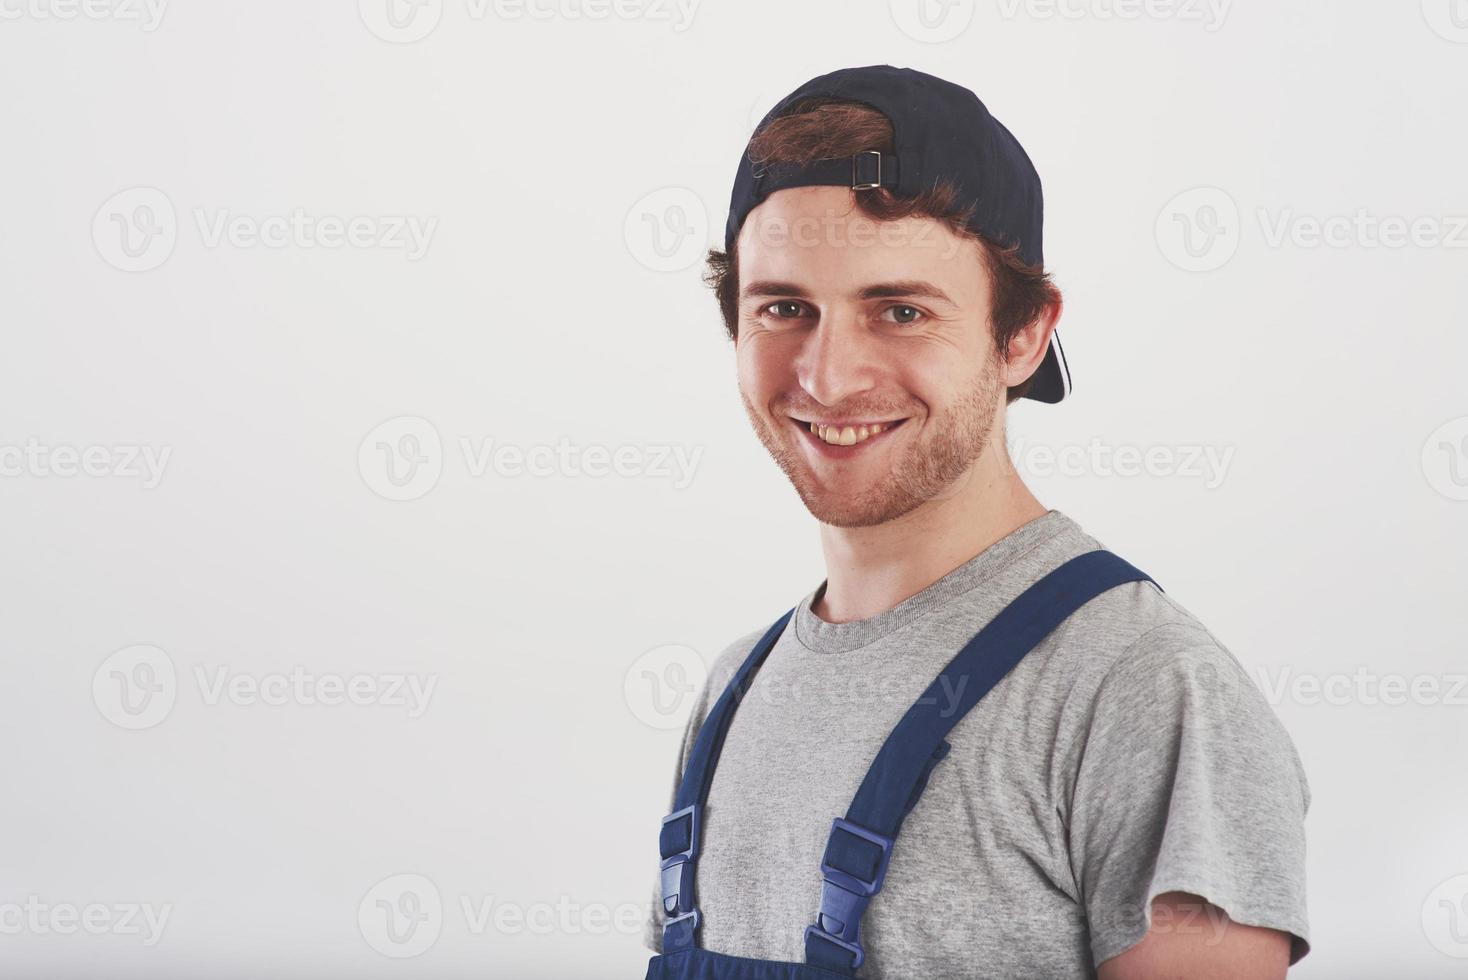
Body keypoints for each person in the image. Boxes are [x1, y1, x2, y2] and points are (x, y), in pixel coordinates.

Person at [641, 64, 1310, 980]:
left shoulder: (1145, 694)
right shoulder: (732, 690)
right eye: (785, 309)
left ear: (1023, 335)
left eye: (901, 310)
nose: (828, 377)